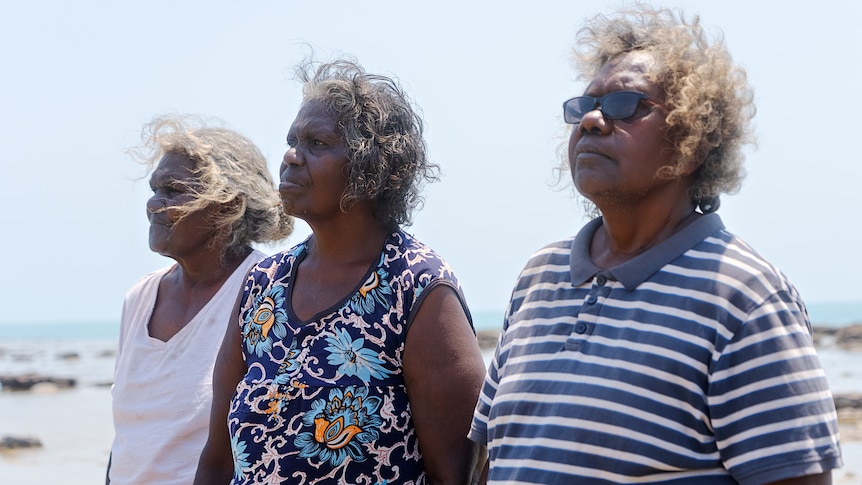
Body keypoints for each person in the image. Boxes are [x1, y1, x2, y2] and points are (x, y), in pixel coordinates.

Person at [469, 5, 842, 484]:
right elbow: (492, 462)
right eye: (583, 107)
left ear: (694, 139)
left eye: (628, 105)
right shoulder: (539, 276)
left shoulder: (745, 296)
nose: (593, 121)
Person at [195, 58, 487, 485]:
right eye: (292, 140)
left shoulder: (418, 288)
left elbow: (457, 475)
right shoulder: (262, 285)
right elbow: (218, 460)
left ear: (371, 168)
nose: (291, 157)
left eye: (316, 143)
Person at [108, 114, 294, 485]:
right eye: (154, 189)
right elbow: (127, 445)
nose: (154, 204)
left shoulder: (269, 290)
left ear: (228, 206)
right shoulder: (141, 297)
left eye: (172, 190)